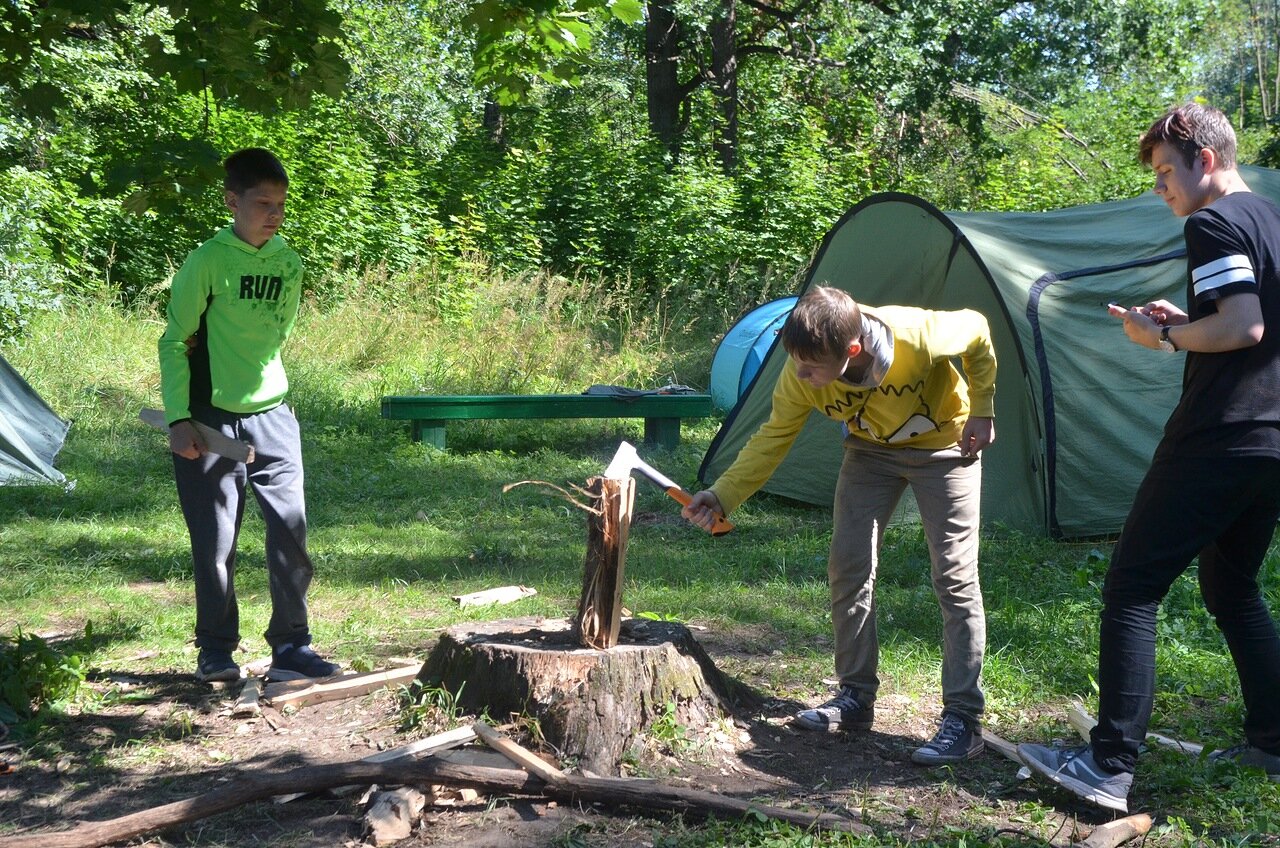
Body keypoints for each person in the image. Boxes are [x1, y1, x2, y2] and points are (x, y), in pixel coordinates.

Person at [1018, 103, 1280, 813]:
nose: (1161, 186)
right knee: (1231, 588)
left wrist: (1160, 339)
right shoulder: (1273, 220)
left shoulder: (1213, 221)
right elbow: (1250, 320)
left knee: (1133, 587)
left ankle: (1106, 767)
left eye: (1167, 170)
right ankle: (1272, 739)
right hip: (1272, 441)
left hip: (1220, 434)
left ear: (1205, 157)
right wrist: (1186, 322)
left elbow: (1243, 325)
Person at [684, 285, 997, 764]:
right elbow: (773, 437)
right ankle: (854, 698)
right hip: (869, 454)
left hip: (946, 450)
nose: (801, 375)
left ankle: (963, 719)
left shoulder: (917, 336)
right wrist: (722, 495)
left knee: (954, 578)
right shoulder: (798, 371)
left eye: (811, 367)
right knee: (848, 568)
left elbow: (976, 328)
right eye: (796, 362)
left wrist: (983, 407)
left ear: (852, 350)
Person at [158, 147, 339, 684]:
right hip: (210, 421)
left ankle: (291, 646)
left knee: (290, 532)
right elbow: (175, 342)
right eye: (262, 203)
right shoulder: (207, 260)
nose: (274, 213)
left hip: (274, 417)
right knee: (216, 541)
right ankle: (215, 649)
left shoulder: (287, 261)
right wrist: (178, 418)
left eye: (280, 204)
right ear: (232, 200)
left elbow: (277, 334)